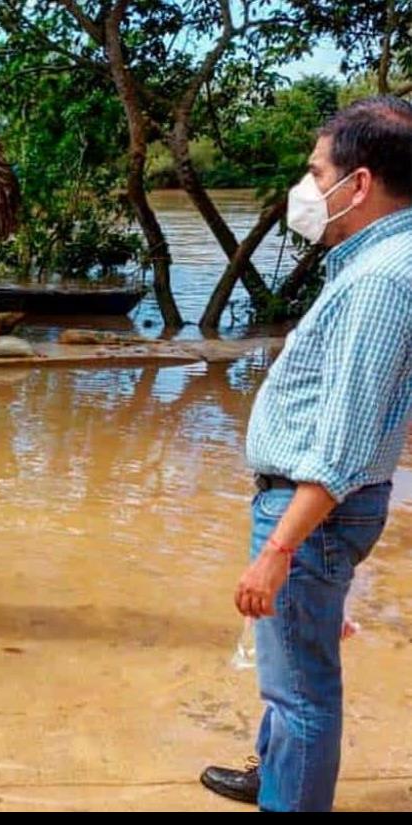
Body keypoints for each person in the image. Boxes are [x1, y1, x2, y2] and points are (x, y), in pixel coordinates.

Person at [201, 97, 412, 811]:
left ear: (357, 184)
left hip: (311, 507)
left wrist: (281, 548)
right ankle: (275, 772)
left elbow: (345, 439)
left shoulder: (383, 278)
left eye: (316, 169)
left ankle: (289, 797)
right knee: (289, 670)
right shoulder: (375, 261)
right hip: (316, 508)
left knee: (299, 692)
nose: (305, 184)